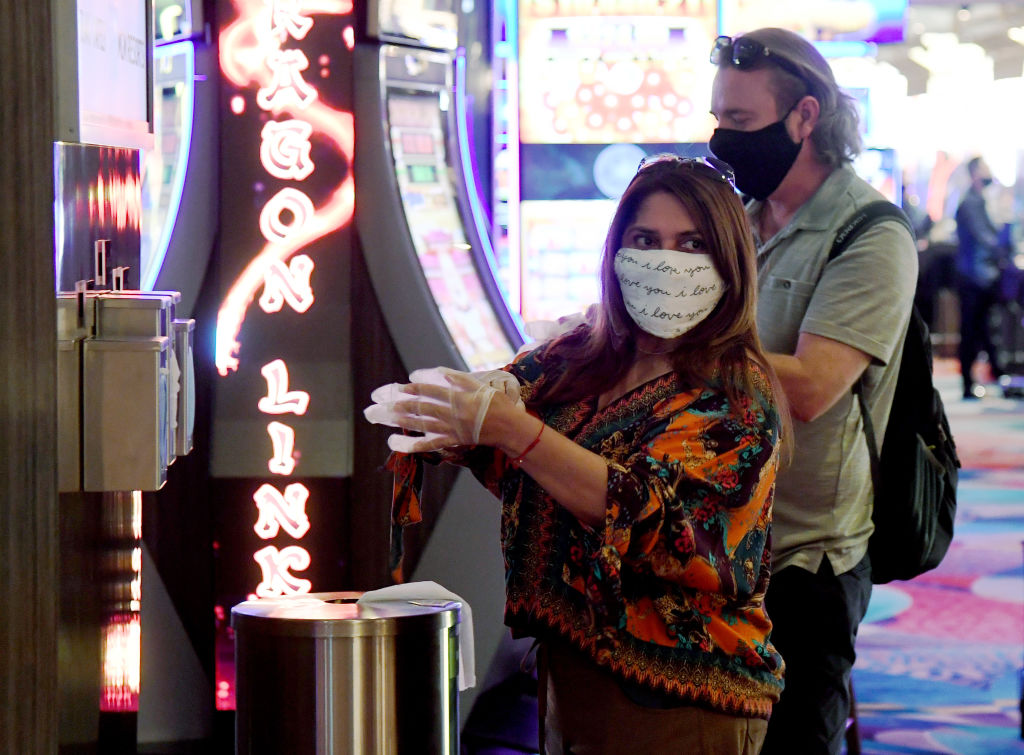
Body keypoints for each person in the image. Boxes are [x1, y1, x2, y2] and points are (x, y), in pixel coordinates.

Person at [365, 156, 787, 754]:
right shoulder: (579, 355)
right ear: (617, 251)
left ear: (729, 261)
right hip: (569, 671)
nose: (666, 261)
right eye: (646, 240)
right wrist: (460, 423)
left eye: (692, 244)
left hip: (682, 694)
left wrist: (515, 432)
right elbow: (511, 434)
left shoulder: (735, 395)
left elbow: (650, 518)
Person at [708, 28, 918, 755]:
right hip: (714, 538)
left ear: (804, 117)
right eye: (718, 117)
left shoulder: (869, 233)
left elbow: (813, 386)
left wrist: (680, 352)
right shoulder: (740, 217)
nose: (722, 137)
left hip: (805, 559)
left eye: (740, 120)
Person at [955, 156, 1006, 398]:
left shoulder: (978, 200)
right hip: (974, 277)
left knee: (982, 330)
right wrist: (1003, 250)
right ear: (975, 173)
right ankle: (970, 383)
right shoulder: (971, 203)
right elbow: (985, 238)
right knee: (972, 331)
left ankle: (996, 375)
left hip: (978, 275)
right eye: (985, 169)